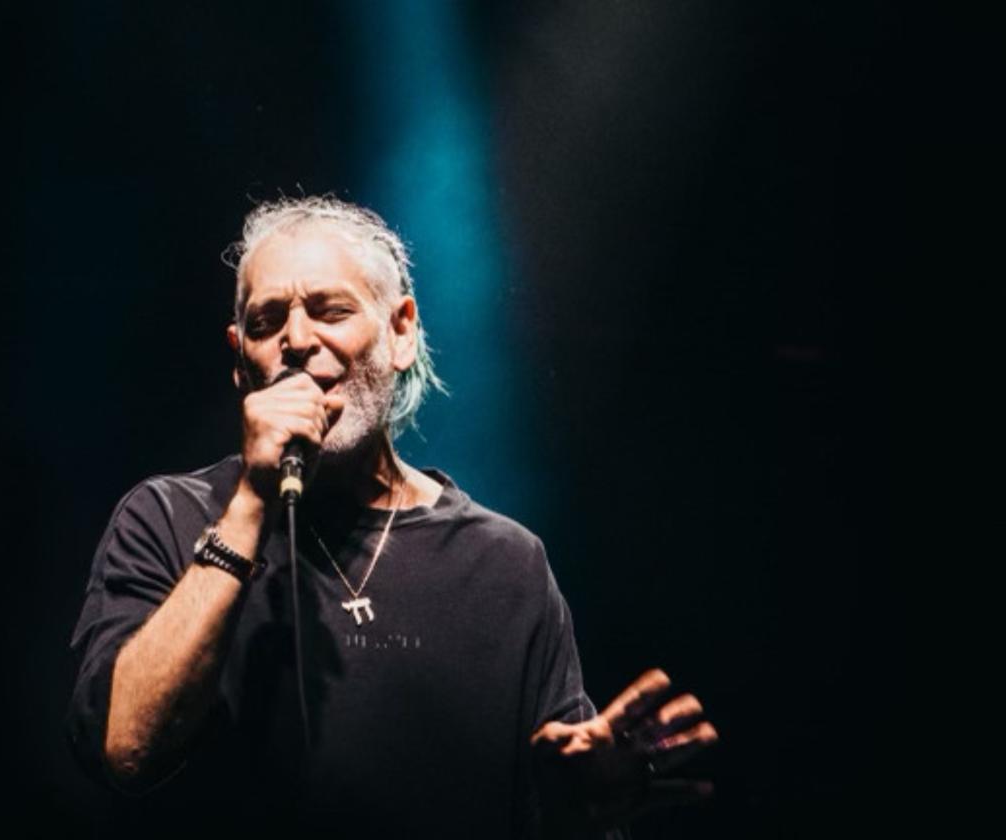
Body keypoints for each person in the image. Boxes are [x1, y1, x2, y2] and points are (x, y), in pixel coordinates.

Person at [65, 196, 718, 838]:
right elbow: (126, 748)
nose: (296, 341)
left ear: (401, 330)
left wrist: (580, 814)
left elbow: (557, 798)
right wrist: (252, 503)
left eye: (331, 310)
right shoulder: (166, 518)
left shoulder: (505, 564)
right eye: (267, 322)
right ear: (241, 360)